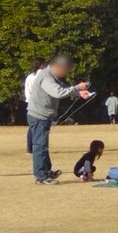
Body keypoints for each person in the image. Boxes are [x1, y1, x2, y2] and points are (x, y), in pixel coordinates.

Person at [27, 55, 91, 184]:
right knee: (40, 147)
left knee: (43, 146)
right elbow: (58, 92)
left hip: (43, 116)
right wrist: (78, 88)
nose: (65, 73)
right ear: (58, 67)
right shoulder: (46, 77)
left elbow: (63, 89)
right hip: (39, 116)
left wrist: (79, 93)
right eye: (66, 70)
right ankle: (41, 177)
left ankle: (46, 171)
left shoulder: (51, 75)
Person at [24, 57, 45, 154]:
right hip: (39, 102)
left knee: (32, 125)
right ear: (41, 65)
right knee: (40, 125)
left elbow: (27, 90)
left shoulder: (29, 76)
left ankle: (29, 147)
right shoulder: (42, 75)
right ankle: (39, 146)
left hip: (30, 102)